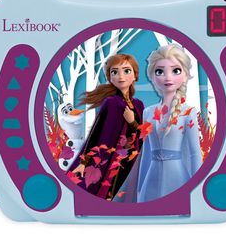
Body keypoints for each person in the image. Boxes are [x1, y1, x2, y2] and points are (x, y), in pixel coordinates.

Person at [115, 44, 202, 203]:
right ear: (152, 77)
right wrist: (140, 186)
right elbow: (146, 152)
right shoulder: (148, 112)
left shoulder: (188, 112)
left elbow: (195, 153)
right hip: (151, 177)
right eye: (160, 71)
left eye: (176, 71)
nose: (168, 77)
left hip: (177, 177)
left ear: (185, 75)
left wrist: (198, 187)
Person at [67, 54, 144, 201]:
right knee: (107, 192)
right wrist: (84, 162)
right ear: (110, 77)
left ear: (135, 75)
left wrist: (132, 122)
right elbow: (96, 132)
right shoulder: (111, 102)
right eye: (115, 72)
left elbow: (142, 134)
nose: (121, 76)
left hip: (132, 160)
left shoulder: (138, 105)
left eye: (126, 71)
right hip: (112, 158)